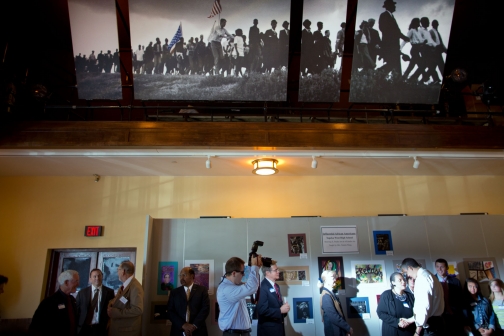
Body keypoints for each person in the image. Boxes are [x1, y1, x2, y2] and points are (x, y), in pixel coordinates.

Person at [217, 255, 262, 336]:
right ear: (234, 273)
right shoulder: (227, 289)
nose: (244, 275)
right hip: (235, 334)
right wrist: (254, 267)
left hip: (240, 333)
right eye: (242, 272)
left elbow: (251, 286)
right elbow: (251, 288)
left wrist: (256, 267)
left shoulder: (233, 287)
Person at [401, 258, 444, 335]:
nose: (407, 276)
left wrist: (417, 332)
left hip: (431, 326)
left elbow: (424, 306)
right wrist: (411, 319)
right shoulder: (429, 275)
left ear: (410, 268)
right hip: (438, 322)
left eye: (406, 272)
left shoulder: (422, 279)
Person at [29, 270, 80, 336]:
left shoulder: (72, 300)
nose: (78, 284)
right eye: (76, 281)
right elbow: (36, 327)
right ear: (66, 282)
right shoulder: (49, 302)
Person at [167, 267, 210, 336]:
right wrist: (183, 325)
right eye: (180, 275)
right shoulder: (174, 292)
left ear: (192, 276)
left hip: (198, 331)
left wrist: (193, 326)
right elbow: (170, 311)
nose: (181, 278)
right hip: (178, 330)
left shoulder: (202, 290)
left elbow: (205, 309)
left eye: (184, 275)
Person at [107, 261, 143, 336]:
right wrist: (111, 303)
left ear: (123, 271)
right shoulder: (125, 285)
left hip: (126, 331)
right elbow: (121, 300)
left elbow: (138, 310)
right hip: (119, 329)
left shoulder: (135, 287)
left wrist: (115, 312)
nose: (117, 273)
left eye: (118, 270)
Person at [76, 268, 115, 336]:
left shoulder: (109, 292)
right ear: (90, 278)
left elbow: (112, 310)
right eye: (94, 276)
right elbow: (77, 310)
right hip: (84, 328)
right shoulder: (82, 293)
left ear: (102, 277)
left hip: (101, 329)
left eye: (99, 276)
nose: (97, 278)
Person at [434, 258, 467, 335]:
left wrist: (465, 319)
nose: (439, 269)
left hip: (454, 315)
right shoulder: (432, 281)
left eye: (442, 267)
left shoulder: (456, 281)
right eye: (437, 266)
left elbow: (461, 301)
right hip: (439, 316)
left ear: (447, 268)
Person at [257, 262, 290, 336]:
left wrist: (284, 310)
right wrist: (280, 310)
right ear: (267, 273)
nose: (278, 272)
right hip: (268, 331)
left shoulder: (276, 286)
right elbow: (262, 310)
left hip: (278, 329)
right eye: (275, 270)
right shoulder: (262, 287)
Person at [378, 0, 409, 77]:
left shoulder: (391, 17)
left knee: (395, 63)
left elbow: (397, 31)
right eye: (393, 5)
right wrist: (397, 36)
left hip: (394, 44)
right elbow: (383, 28)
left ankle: (397, 80)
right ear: (389, 6)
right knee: (392, 63)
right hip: (389, 44)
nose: (395, 7)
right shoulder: (384, 15)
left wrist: (404, 37)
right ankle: (378, 74)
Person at [319, 270, 352, 336]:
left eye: (335, 278)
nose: (335, 280)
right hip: (334, 332)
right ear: (326, 280)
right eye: (332, 278)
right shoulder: (326, 296)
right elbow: (333, 316)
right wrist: (348, 328)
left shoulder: (330, 293)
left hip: (337, 331)